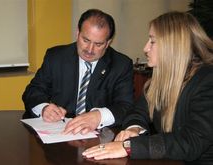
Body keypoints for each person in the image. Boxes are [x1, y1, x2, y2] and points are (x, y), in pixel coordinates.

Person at [82, 11, 213, 165]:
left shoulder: (207, 81)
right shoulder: (159, 80)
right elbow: (137, 112)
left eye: (152, 41)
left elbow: (191, 142)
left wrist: (130, 147)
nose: (145, 48)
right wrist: (134, 129)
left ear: (172, 45)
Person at [22, 9, 134, 135]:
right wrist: (44, 108)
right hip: (59, 133)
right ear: (77, 33)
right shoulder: (56, 57)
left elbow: (126, 106)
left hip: (98, 137)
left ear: (108, 43)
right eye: (85, 40)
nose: (89, 50)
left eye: (98, 44)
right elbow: (33, 91)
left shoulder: (121, 65)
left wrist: (99, 116)